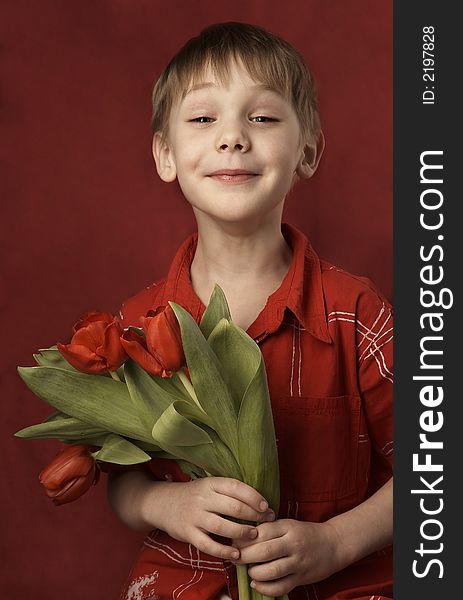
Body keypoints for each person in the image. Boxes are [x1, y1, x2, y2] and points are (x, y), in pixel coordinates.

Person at [108, 22, 393, 600]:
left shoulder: (356, 313)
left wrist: (335, 542)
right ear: (166, 153)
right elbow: (122, 482)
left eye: (261, 118)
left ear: (307, 150)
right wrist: (168, 501)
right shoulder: (138, 324)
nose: (233, 137)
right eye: (204, 119)